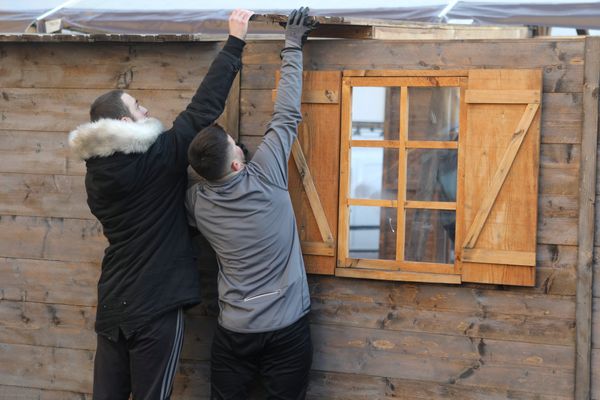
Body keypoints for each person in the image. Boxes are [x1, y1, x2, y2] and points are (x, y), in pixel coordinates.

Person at [68, 9, 254, 400]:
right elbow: (203, 108)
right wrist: (234, 42)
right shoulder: (160, 157)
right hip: (156, 305)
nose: (147, 110)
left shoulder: (96, 175)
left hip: (113, 304)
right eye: (138, 107)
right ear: (124, 121)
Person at [185, 7, 315, 400]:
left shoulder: (198, 203)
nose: (239, 142)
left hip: (236, 332)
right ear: (239, 162)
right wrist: (293, 45)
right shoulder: (268, 175)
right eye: (235, 145)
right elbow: (286, 114)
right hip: (287, 329)